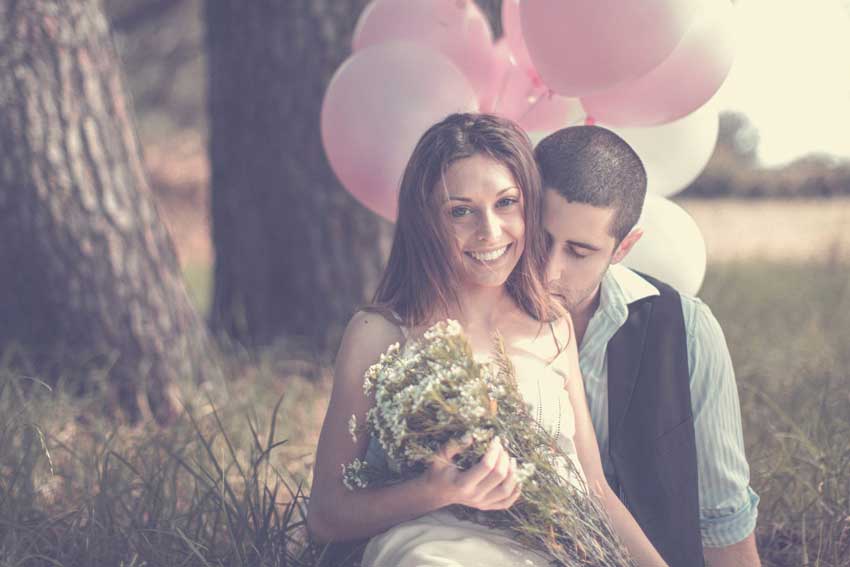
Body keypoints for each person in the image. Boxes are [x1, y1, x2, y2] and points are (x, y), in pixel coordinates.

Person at [307, 113, 667, 566]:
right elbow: (325, 514)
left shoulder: (551, 325)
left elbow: (594, 490)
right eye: (461, 211)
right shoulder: (378, 333)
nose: (490, 232)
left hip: (553, 548)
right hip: (438, 548)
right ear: (426, 220)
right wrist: (432, 492)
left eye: (506, 203)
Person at [535, 125, 761, 567]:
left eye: (579, 252)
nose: (548, 272)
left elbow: (723, 517)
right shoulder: (472, 320)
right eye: (540, 241)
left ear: (624, 248)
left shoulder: (687, 330)